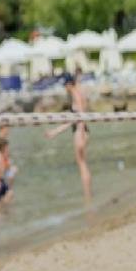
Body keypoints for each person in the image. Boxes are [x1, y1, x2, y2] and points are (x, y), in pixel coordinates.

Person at [45, 71, 93, 203]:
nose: (63, 87)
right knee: (82, 163)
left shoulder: (75, 93)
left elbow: (80, 116)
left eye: (64, 84)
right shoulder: (77, 92)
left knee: (82, 164)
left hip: (79, 131)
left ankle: (88, 196)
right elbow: (73, 119)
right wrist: (55, 132)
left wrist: (81, 133)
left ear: (68, 83)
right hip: (80, 130)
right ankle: (88, 195)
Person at [0, 136, 17, 211]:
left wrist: (11, 169)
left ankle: (2, 214)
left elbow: (3, 168)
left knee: (3, 198)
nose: (7, 148)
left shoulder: (0, 155)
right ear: (2, 146)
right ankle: (2, 211)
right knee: (9, 195)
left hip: (0, 180)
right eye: (6, 147)